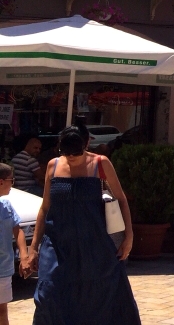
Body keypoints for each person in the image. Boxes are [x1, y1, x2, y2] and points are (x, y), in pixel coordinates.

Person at [28, 125, 140, 324]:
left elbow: (121, 199)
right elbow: (45, 208)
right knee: (49, 293)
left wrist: (128, 237)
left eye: (76, 152)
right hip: (58, 242)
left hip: (93, 243)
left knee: (97, 296)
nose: (71, 157)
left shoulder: (100, 163)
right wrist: (33, 247)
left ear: (85, 145)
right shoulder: (53, 166)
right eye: (66, 152)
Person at [0, 164, 27, 325]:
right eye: (12, 180)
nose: (13, 184)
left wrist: (23, 255)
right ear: (1, 182)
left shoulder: (6, 206)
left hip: (3, 268)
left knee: (2, 310)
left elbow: (18, 230)